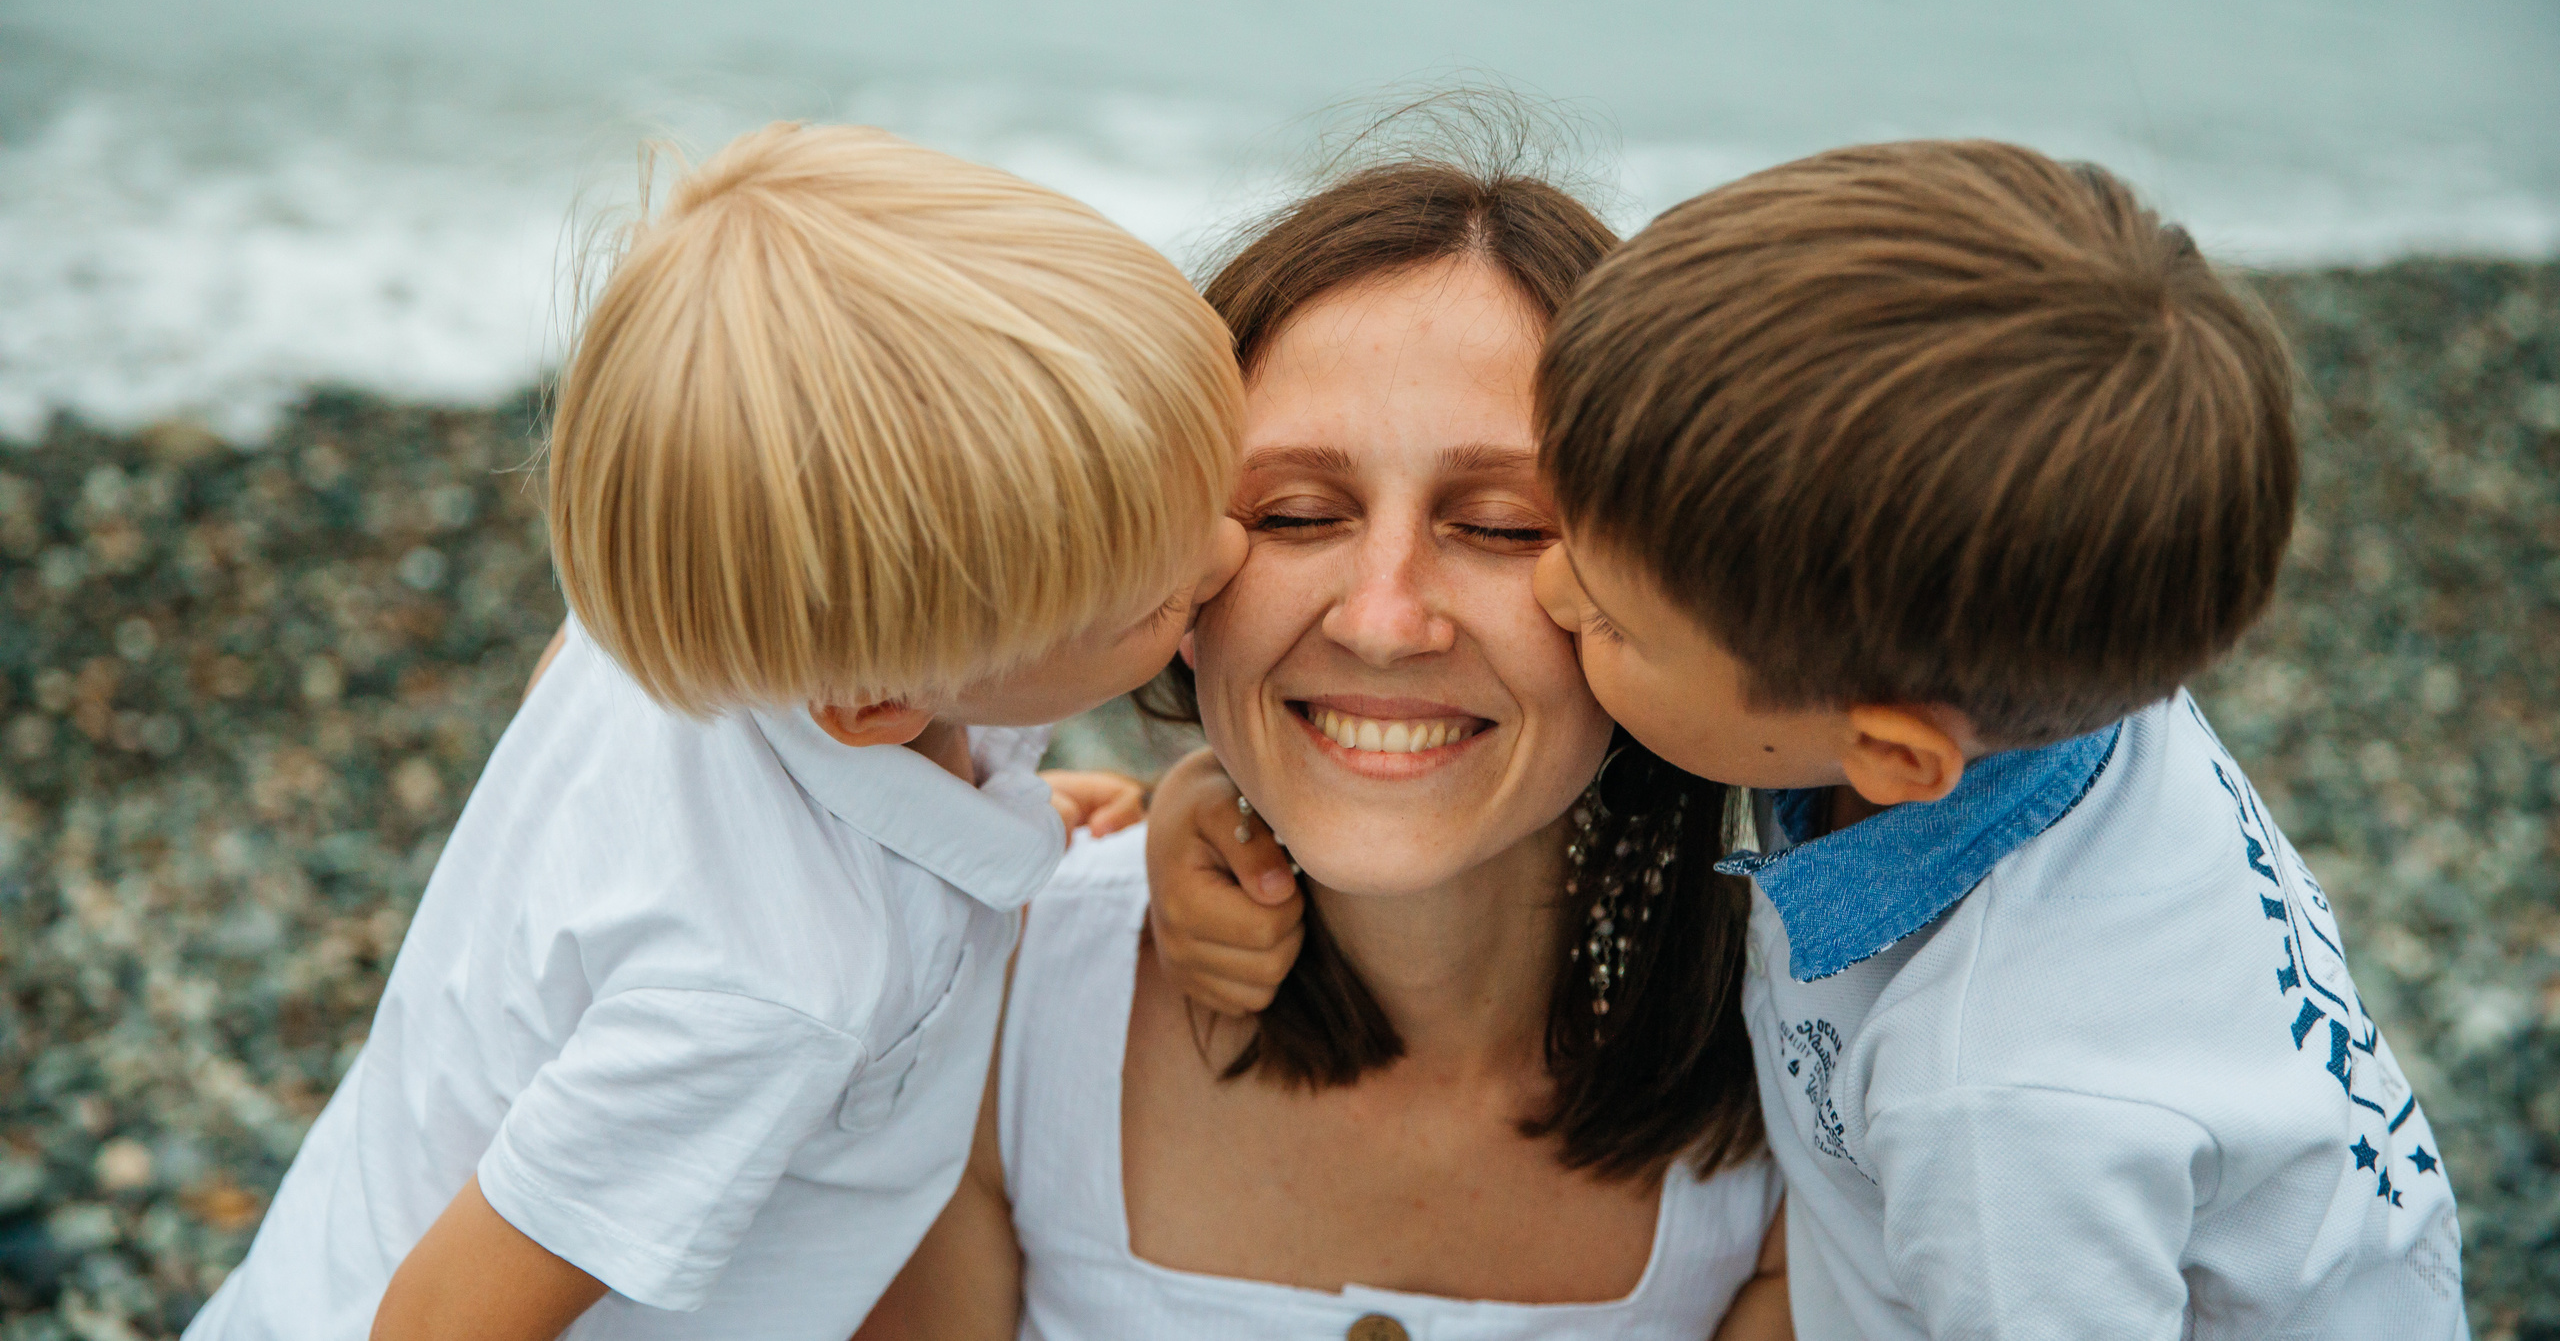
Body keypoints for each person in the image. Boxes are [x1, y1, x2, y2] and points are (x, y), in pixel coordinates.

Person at [1157, 140, 2467, 1337]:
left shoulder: (2006, 1098)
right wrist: (1215, 792)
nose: (1554, 593)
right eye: (1294, 513)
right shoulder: (2038, 666)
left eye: (1529, 542)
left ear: (1896, 753)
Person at [186, 124, 1243, 1341]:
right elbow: (437, 1322)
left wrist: (998, 829)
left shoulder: (642, 645)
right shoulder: (768, 991)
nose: (1227, 555)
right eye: (1151, 601)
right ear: (880, 703)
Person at [863, 149, 1790, 1341]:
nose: (1384, 620)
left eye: (1502, 527)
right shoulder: (982, 996)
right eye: (1297, 516)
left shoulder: (1811, 1061)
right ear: (1168, 569)